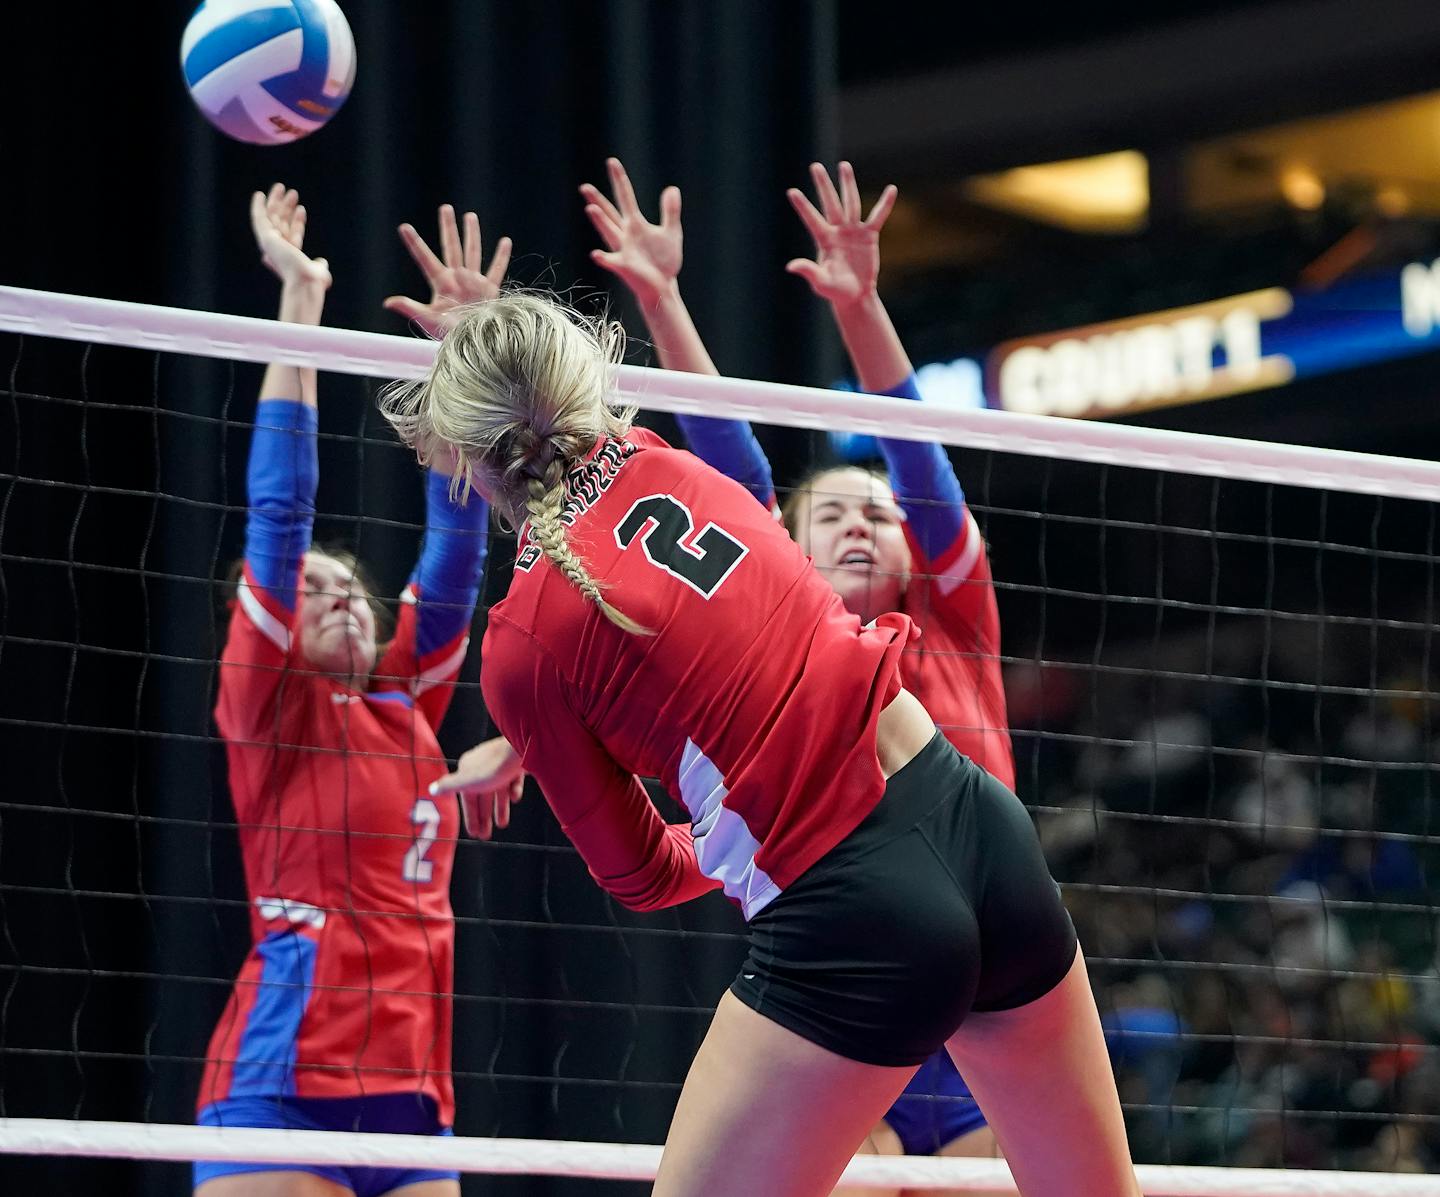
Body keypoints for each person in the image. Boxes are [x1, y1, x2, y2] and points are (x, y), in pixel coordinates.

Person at [383, 290, 1140, 1196]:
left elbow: (639, 875)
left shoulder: (519, 648)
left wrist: (721, 836)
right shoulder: (673, 466)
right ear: (583, 385)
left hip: (852, 910)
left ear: (464, 458)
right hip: (983, 828)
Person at [579, 156, 1012, 1194]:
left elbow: (919, 455)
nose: (864, 520)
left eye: (878, 514)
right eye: (833, 514)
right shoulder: (777, 621)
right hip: (840, 973)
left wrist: (861, 307)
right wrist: (663, 301)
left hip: (984, 986)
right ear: (786, 548)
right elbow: (729, 470)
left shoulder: (951, 611)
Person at [195, 185, 511, 1197]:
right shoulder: (268, 708)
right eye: (312, 592)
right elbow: (281, 516)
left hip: (416, 1095)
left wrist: (460, 360)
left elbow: (457, 548)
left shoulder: (402, 706)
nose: (335, 596)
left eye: (353, 592)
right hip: (281, 1082)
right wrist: (302, 305)